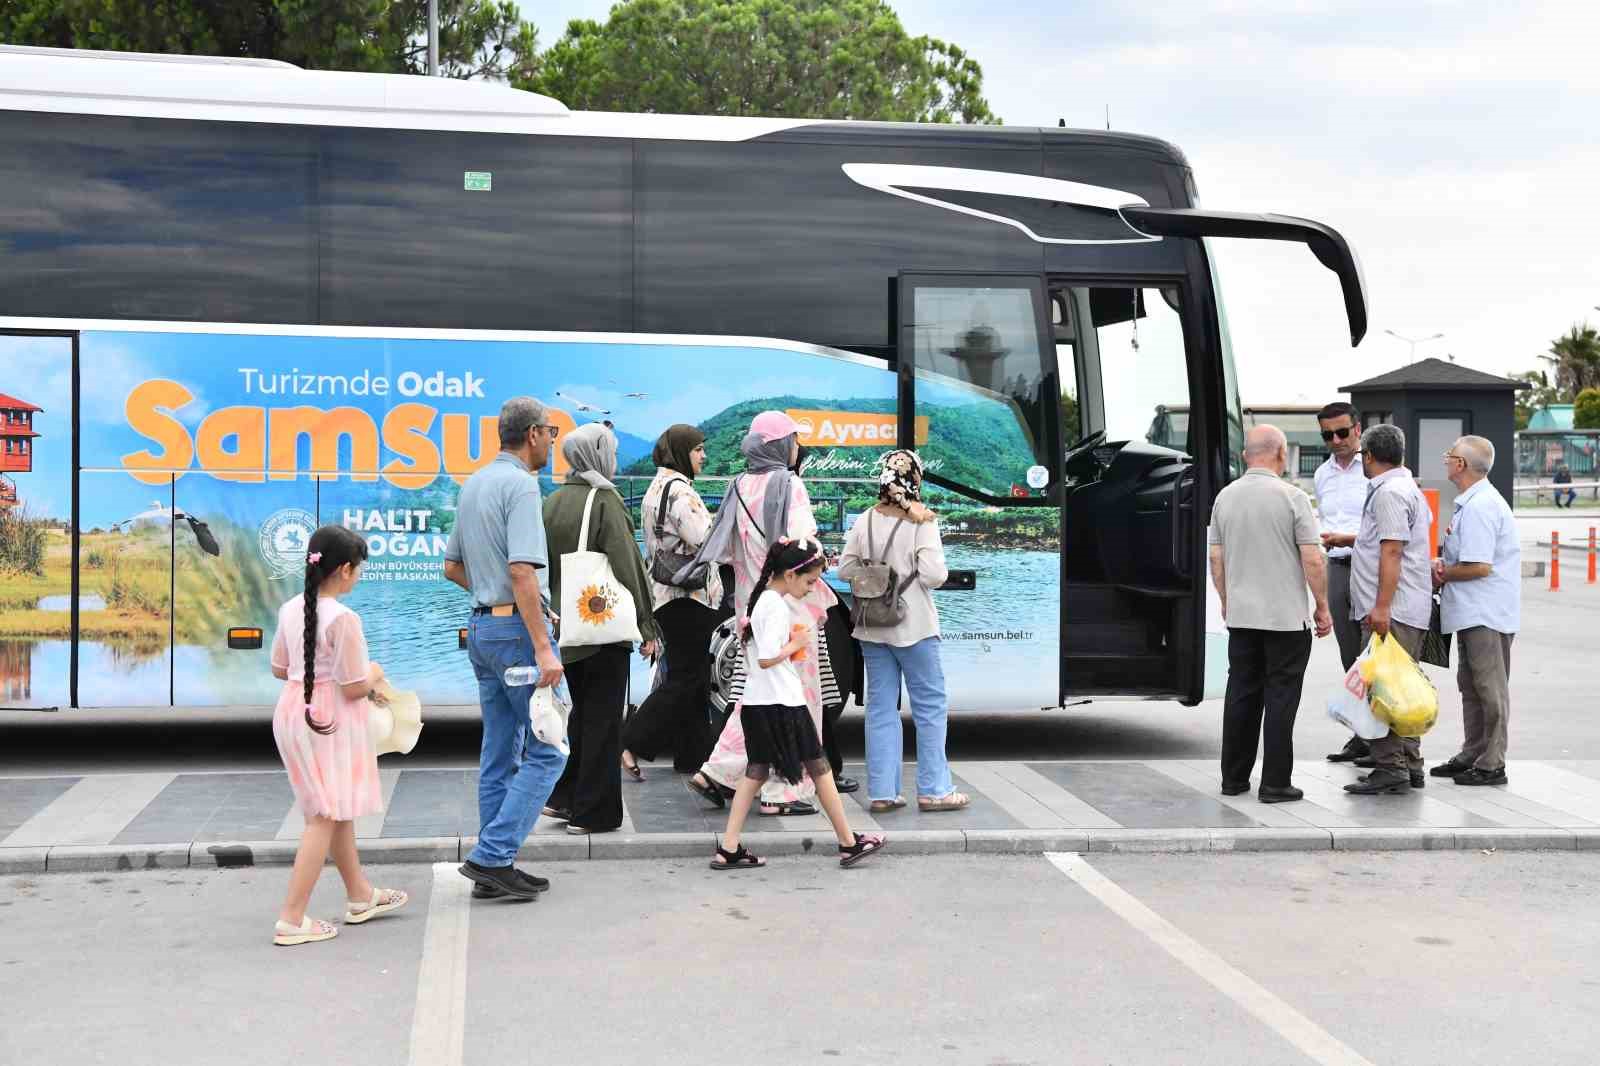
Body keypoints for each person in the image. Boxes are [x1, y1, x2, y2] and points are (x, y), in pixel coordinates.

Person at [685, 411, 839, 816]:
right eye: (792, 439)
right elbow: (803, 547)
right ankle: (784, 791)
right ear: (779, 445)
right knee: (798, 700)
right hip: (790, 607)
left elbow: (729, 549)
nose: (797, 447)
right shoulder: (789, 485)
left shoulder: (739, 486)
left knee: (758, 696)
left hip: (750, 608)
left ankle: (718, 770)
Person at [443, 396, 565, 901]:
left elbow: (451, 566)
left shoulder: (474, 484)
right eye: (551, 432)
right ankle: (492, 856)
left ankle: (498, 866)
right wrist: (543, 645)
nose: (554, 442)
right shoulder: (521, 486)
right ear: (533, 434)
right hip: (515, 635)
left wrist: (489, 595)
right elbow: (522, 570)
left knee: (500, 752)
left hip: (483, 631)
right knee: (551, 747)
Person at [709, 537, 886, 870]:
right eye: (809, 581)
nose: (810, 588)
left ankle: (729, 847)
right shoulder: (774, 604)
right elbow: (765, 659)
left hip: (758, 703)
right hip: (783, 703)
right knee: (820, 769)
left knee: (756, 772)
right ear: (789, 575)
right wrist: (797, 644)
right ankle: (849, 843)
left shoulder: (762, 598)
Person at [269, 525, 408, 945]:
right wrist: (377, 673)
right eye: (359, 568)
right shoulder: (345, 618)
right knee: (322, 816)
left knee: (334, 809)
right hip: (328, 718)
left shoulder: (291, 607)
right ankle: (292, 919)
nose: (360, 575)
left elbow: (279, 667)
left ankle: (361, 896)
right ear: (345, 569)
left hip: (294, 710)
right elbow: (353, 686)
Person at [541, 422, 660, 834]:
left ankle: (564, 796)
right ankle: (592, 814)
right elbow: (628, 565)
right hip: (603, 630)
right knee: (605, 722)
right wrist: (647, 624)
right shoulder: (605, 499)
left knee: (583, 715)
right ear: (599, 456)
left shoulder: (553, 500)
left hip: (567, 628)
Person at [1207, 426, 1333, 804]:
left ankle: (1234, 779)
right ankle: (1276, 783)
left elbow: (1216, 558)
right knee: (1281, 698)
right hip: (1285, 620)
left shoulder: (1224, 498)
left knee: (1241, 694)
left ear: (1247, 455)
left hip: (1243, 618)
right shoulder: (1293, 497)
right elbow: (1312, 557)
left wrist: (1228, 600)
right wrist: (1322, 606)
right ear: (1281, 453)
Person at [838, 449, 967, 812]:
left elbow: (846, 569)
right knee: (929, 707)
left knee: (880, 707)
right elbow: (934, 575)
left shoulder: (864, 519)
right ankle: (935, 790)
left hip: (872, 626)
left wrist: (876, 572)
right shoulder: (922, 522)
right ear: (915, 480)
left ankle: (882, 792)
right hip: (915, 626)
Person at [1326, 424, 1435, 795]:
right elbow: (1385, 541)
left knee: (1383, 688)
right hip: (1404, 608)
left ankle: (1391, 766)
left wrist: (1381, 607)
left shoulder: (1389, 493)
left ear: (1369, 456)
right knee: (1403, 687)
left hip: (1393, 611)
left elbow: (1392, 550)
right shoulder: (1406, 489)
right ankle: (1411, 764)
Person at [622, 425, 723, 778]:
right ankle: (632, 740)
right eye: (698, 449)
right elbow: (704, 541)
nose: (703, 456)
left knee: (690, 679)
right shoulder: (681, 492)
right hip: (688, 596)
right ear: (681, 452)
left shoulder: (656, 488)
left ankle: (693, 757)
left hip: (666, 594)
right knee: (687, 677)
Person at [1431, 436, 1520, 786]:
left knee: (1490, 689)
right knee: (1470, 685)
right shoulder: (1471, 502)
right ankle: (1473, 751)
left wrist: (1440, 572)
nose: (1446, 460)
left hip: (1486, 613)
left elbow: (1479, 566)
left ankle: (1492, 761)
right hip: (1471, 612)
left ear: (1462, 465)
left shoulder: (1482, 505)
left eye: (1449, 455)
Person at [1313, 401, 1370, 763]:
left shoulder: (1376, 468)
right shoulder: (1322, 474)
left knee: (1375, 655)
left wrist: (1349, 539)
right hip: (1336, 568)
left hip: (1369, 568)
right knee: (1350, 657)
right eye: (1327, 434)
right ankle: (1361, 735)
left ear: (1358, 429)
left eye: (1342, 432)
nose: (1336, 440)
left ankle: (1386, 741)